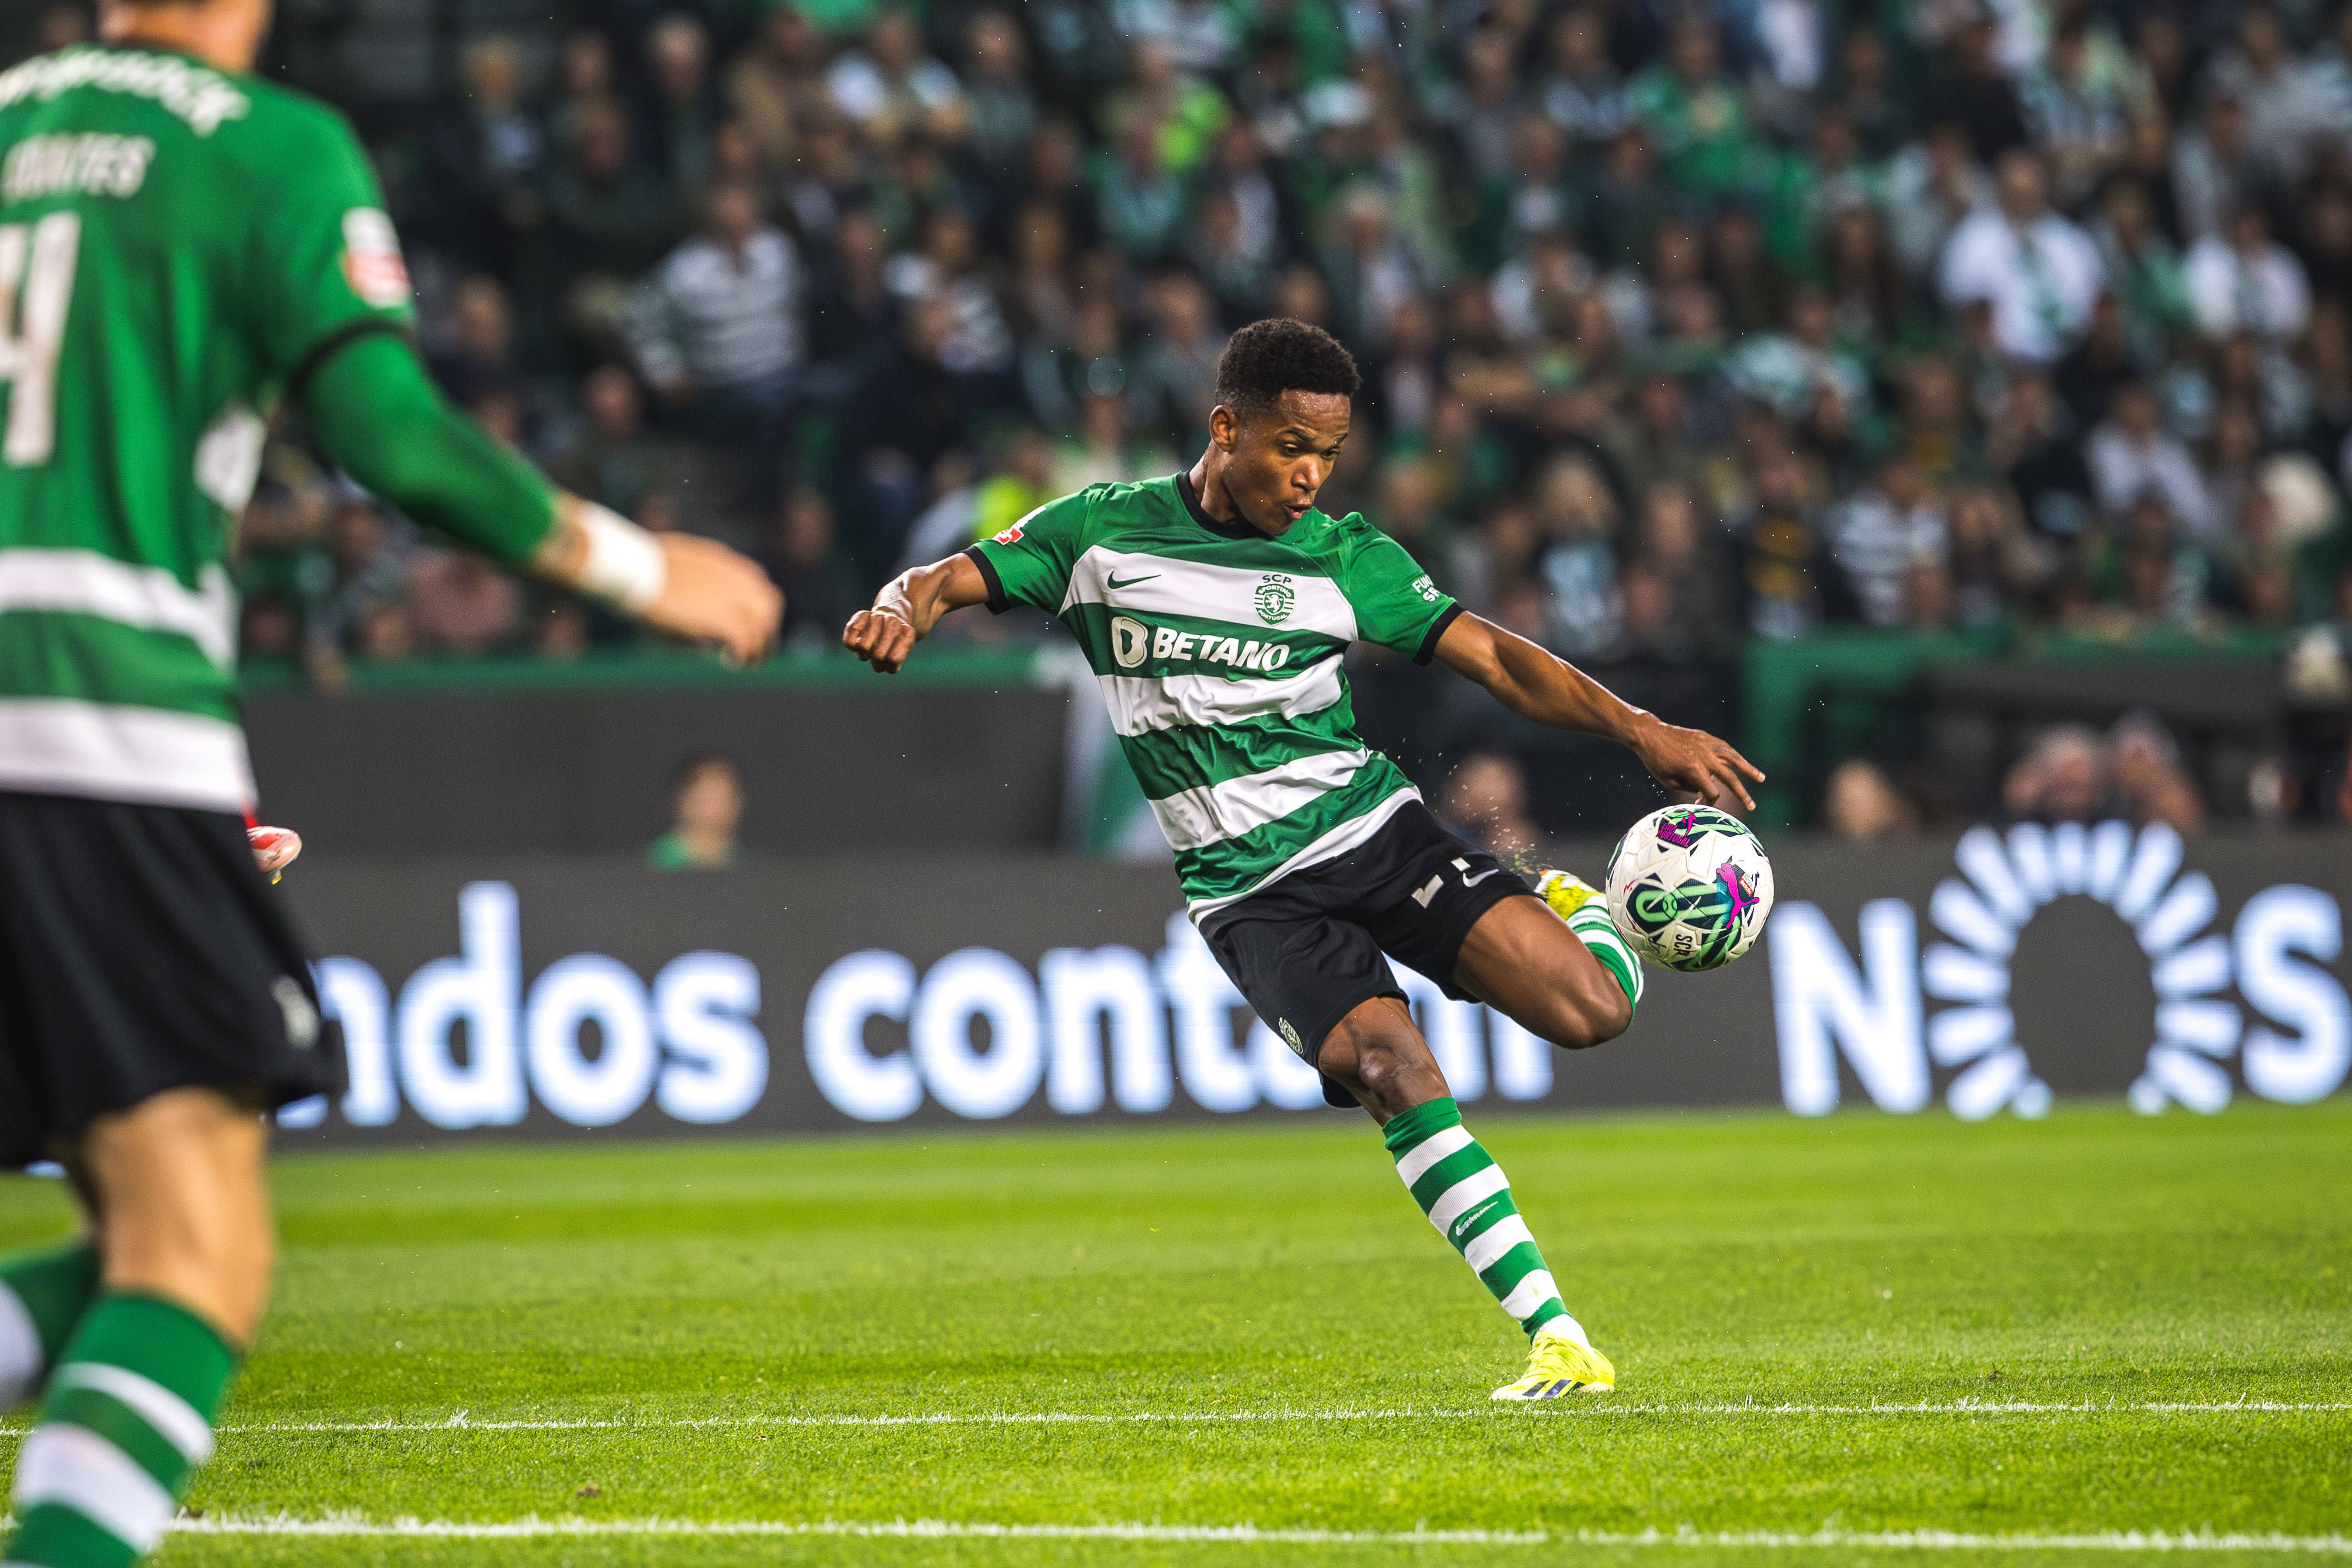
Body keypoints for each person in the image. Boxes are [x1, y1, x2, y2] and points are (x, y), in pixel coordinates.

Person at [0, 5, 782, 1565]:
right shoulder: (264, 149)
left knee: (142, 1224)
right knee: (195, 1253)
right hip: (91, 714)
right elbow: (394, 441)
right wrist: (642, 564)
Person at [844, 319, 1760, 1401]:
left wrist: (1640, 726)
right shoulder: (1102, 538)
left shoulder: (1343, 554)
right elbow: (947, 577)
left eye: (1325, 452)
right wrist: (898, 604)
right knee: (1391, 1069)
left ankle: (1581, 904)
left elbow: (1497, 659)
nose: (1307, 475)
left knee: (1594, 1009)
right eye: (1288, 446)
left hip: (1372, 832)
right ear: (1225, 426)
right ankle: (1558, 1337)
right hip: (1247, 894)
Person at [647, 753, 746, 869]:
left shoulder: (748, 863)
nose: (714, 810)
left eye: (724, 799)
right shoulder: (653, 863)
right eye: (705, 799)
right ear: (682, 800)